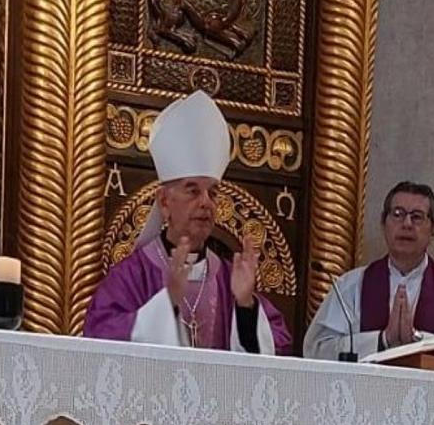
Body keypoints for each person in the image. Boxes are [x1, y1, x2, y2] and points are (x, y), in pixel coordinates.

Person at [84, 90, 291, 354]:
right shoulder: (133, 276)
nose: (206, 202)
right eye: (193, 190)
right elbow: (98, 335)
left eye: (212, 193)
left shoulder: (230, 278)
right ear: (164, 201)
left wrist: (245, 305)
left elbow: (280, 345)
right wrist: (165, 303)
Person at [304, 181, 434, 361]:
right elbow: (316, 349)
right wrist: (382, 340)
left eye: (417, 217)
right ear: (384, 223)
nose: (407, 224)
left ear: (433, 228)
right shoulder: (350, 286)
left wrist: (418, 340)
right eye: (397, 214)